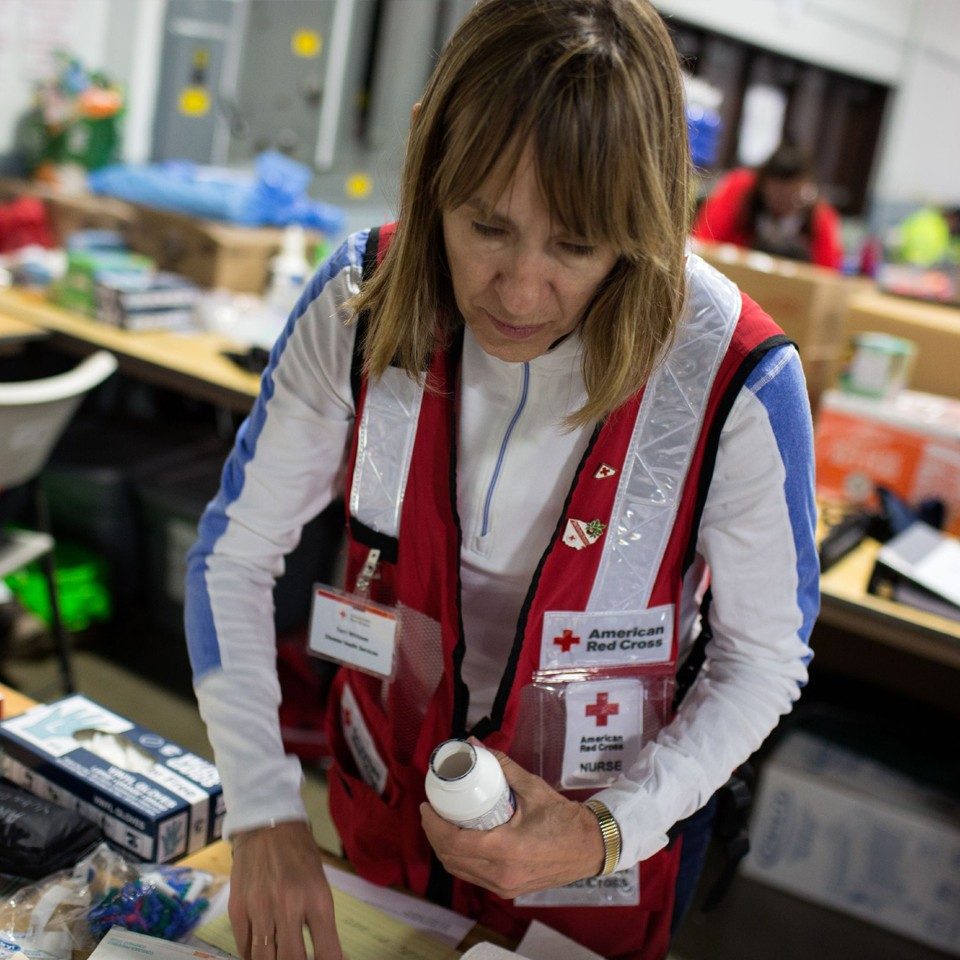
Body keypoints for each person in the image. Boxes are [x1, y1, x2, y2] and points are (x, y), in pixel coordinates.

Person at [185, 2, 818, 959]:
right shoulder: (361, 302)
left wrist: (605, 828)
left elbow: (763, 662)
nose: (521, 293)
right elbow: (231, 561)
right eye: (485, 226)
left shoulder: (735, 377)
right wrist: (266, 811)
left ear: (644, 227)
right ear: (429, 177)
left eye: (575, 245)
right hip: (385, 800)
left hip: (596, 858)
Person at [692, 142, 844, 270]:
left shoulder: (821, 217)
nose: (785, 204)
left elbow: (828, 275)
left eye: (793, 197)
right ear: (763, 185)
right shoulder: (739, 192)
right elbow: (702, 246)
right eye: (778, 196)